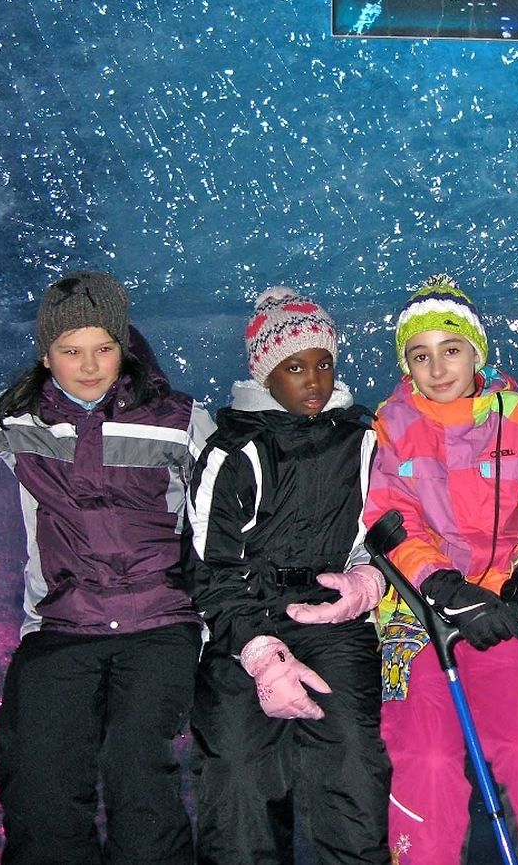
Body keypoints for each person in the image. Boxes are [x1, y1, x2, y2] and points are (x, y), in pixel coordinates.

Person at [0, 272, 214, 865]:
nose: (88, 366)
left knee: (138, 770)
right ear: (45, 354)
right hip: (62, 624)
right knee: (38, 776)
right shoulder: (14, 417)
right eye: (69, 351)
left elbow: (238, 502)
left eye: (103, 348)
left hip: (161, 623)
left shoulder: (178, 420)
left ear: (122, 346)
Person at [362, 273, 518, 865]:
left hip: (501, 604)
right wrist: (443, 587)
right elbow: (389, 518)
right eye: (420, 355)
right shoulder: (392, 424)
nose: (437, 368)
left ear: (476, 352)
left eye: (451, 349)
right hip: (418, 613)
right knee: (427, 756)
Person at [184, 287, 391, 865]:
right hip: (245, 624)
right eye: (294, 367)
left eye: (323, 363)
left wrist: (368, 580)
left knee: (351, 762)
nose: (313, 380)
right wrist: (259, 652)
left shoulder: (364, 440)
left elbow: (393, 527)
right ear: (265, 373)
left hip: (333, 619)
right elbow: (208, 566)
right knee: (237, 771)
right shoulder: (232, 452)